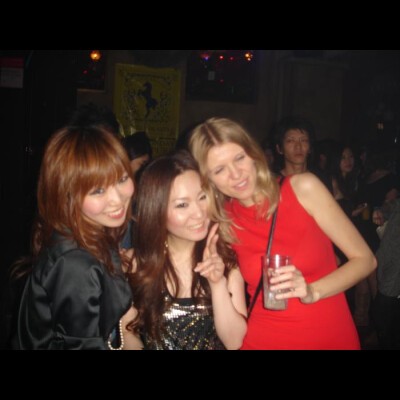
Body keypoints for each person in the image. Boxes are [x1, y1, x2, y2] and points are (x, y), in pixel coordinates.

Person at [189, 117, 377, 350]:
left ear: (253, 154)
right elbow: (233, 336)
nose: (236, 174)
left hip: (328, 337)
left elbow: (366, 260)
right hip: (262, 340)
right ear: (208, 180)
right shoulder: (225, 222)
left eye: (239, 158)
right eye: (219, 169)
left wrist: (312, 291)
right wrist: (217, 283)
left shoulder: (302, 188)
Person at [14, 125, 140, 350]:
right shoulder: (75, 263)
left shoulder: (86, 229)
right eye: (98, 190)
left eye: (122, 179)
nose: (117, 199)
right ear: (67, 194)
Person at [127, 150, 247, 350]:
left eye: (202, 197)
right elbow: (127, 333)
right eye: (182, 205)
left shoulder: (226, 260)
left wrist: (217, 284)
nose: (199, 213)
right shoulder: (135, 263)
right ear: (156, 210)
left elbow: (235, 342)